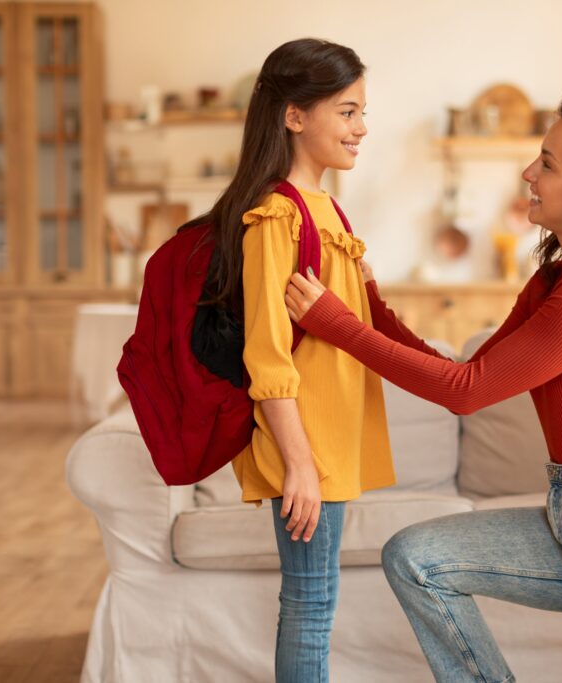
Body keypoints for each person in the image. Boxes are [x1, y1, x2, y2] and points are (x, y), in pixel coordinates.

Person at [284, 92, 562, 682]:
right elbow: (464, 375)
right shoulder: (555, 282)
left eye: (548, 162)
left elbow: (465, 391)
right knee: (417, 558)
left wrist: (335, 326)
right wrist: (366, 306)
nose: (529, 173)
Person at [193, 38, 393, 682]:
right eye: (347, 111)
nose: (362, 128)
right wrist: (300, 465)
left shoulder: (327, 209)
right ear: (294, 116)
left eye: (363, 112)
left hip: (325, 441)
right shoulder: (277, 216)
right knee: (309, 603)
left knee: (315, 599)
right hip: (304, 446)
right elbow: (266, 354)